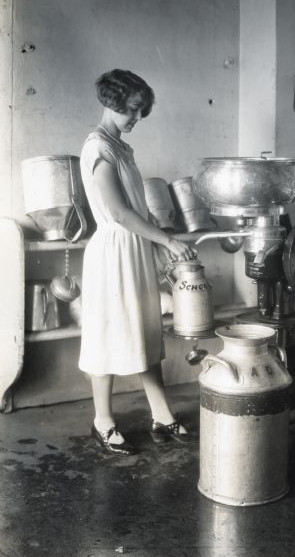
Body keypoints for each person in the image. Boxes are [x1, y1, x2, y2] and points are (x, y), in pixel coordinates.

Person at [79, 69, 197, 455]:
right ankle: (103, 421)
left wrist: (157, 247)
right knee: (107, 334)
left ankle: (161, 413)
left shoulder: (121, 147)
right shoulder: (98, 148)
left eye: (141, 111)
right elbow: (117, 212)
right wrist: (165, 238)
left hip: (134, 250)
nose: (136, 119)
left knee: (145, 330)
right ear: (111, 102)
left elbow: (139, 209)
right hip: (112, 253)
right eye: (132, 110)